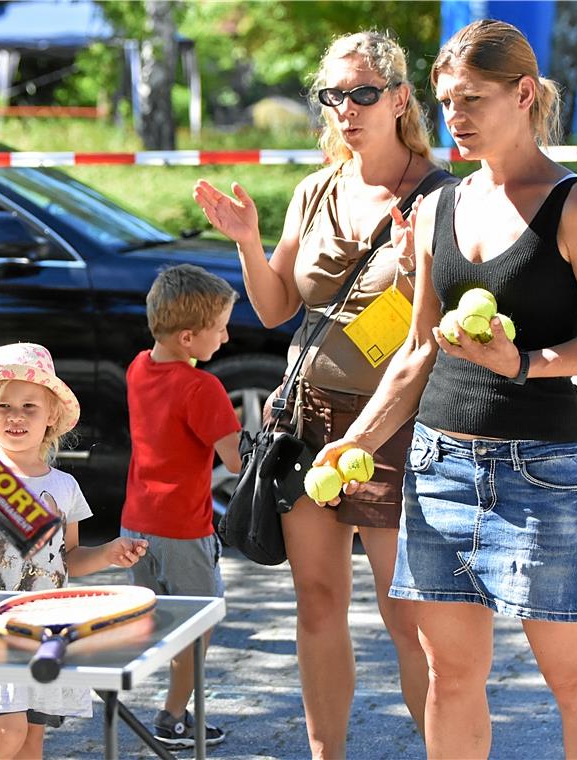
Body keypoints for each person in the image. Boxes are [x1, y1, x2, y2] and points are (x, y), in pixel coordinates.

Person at [315, 19, 577, 759]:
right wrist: (353, 442)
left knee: (576, 686)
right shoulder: (441, 205)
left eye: (474, 99)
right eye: (448, 101)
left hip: (543, 471)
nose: (458, 118)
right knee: (451, 676)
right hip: (439, 465)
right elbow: (417, 349)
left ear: (522, 93)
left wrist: (525, 362)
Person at [193, 30, 456, 756]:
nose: (347, 108)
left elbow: (448, 326)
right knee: (316, 603)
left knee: (410, 621)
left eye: (363, 93)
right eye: (333, 95)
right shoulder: (314, 190)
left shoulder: (441, 196)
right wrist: (247, 240)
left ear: (400, 99)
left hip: (397, 426)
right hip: (307, 423)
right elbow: (277, 307)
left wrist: (418, 271)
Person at [0, 342, 149, 760]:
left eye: (29, 406)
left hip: (46, 627)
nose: (16, 416)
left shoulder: (65, 486)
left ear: (51, 416)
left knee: (32, 739)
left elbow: (66, 560)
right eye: (4, 407)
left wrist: (108, 553)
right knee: (9, 729)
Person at [120, 263, 243, 749]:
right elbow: (236, 461)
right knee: (196, 629)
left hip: (135, 523)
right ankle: (172, 718)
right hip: (184, 531)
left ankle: (172, 708)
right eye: (220, 328)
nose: (227, 337)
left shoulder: (137, 368)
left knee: (157, 621)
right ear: (190, 337)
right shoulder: (203, 388)